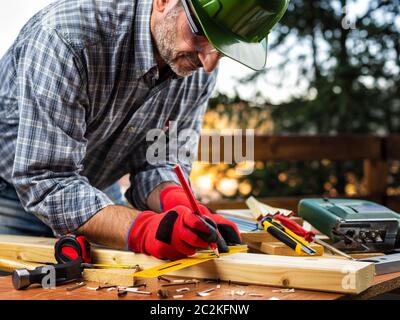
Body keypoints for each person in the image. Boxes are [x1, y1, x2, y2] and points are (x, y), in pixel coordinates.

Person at [0, 0, 288, 260]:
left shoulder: (194, 66)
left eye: (222, 49)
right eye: (202, 33)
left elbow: (160, 160)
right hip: (11, 193)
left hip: (95, 184)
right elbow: (48, 179)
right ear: (164, 2)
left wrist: (178, 203)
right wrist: (141, 230)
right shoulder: (68, 37)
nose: (209, 63)